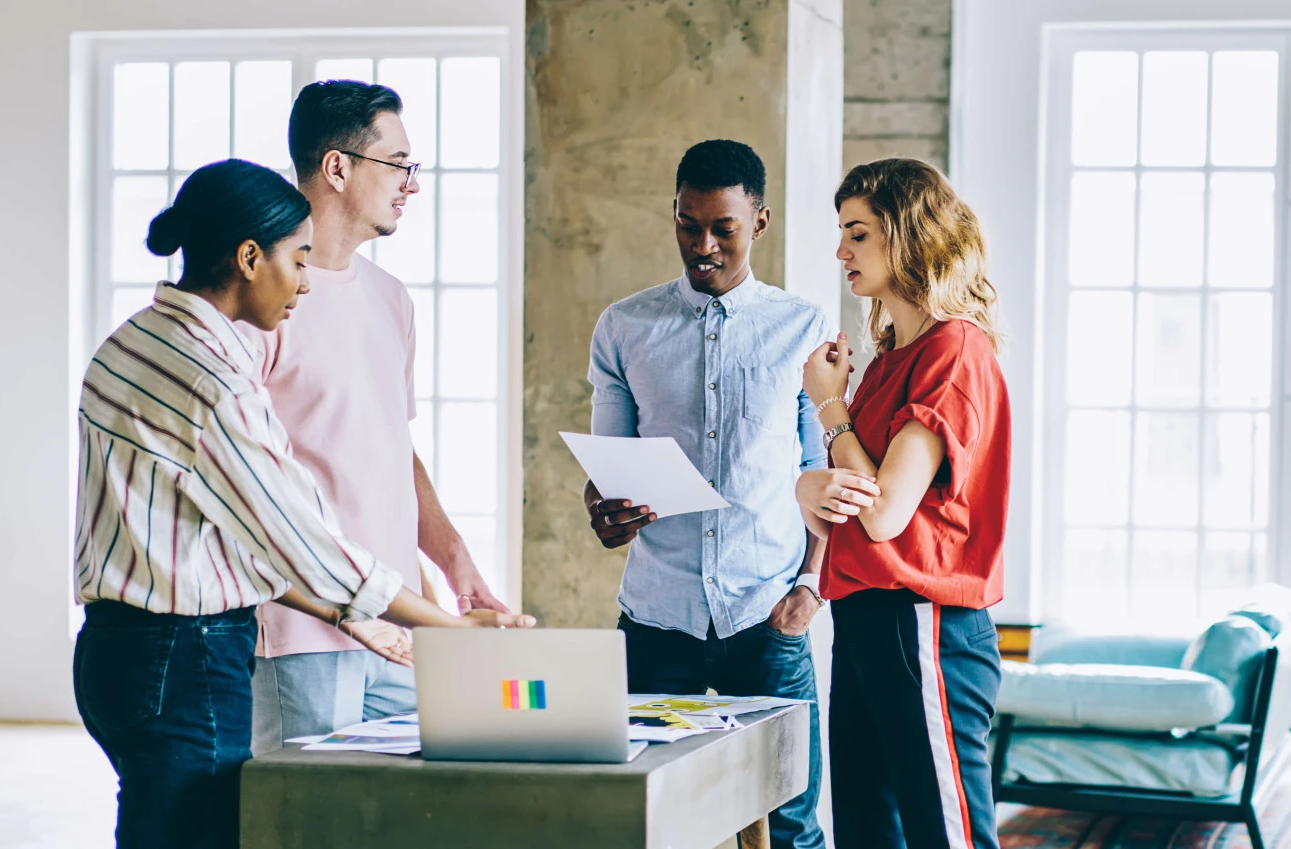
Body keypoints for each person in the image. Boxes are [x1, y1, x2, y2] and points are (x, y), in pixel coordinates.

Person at [72, 158, 533, 849]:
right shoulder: (215, 379)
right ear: (250, 258)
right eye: (298, 259)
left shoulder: (130, 342)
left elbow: (224, 540)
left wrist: (345, 614)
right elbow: (305, 540)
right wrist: (442, 626)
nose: (306, 282)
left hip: (117, 653)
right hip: (185, 659)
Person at [240, 80, 511, 755]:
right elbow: (241, 475)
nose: (411, 184)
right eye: (398, 164)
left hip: (397, 627)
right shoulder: (262, 300)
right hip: (300, 630)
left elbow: (395, 450)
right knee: (309, 825)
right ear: (338, 167)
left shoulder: (392, 299)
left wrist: (457, 565)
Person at [582, 139, 829, 849]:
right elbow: (610, 469)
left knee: (791, 828)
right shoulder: (624, 327)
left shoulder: (804, 329)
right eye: (689, 225)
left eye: (724, 227)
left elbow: (823, 472)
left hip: (769, 617)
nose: (705, 246)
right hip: (658, 620)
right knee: (638, 819)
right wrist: (608, 513)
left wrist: (809, 588)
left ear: (760, 220)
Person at [797, 158, 1010, 849]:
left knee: (946, 834)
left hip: (922, 621)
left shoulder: (954, 350)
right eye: (841, 233)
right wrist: (810, 490)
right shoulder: (889, 358)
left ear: (906, 233)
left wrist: (829, 406)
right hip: (864, 615)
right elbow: (851, 503)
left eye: (857, 233)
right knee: (865, 830)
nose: (841, 251)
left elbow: (884, 511)